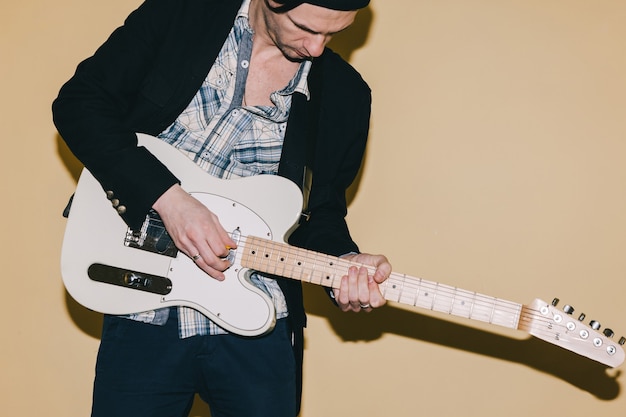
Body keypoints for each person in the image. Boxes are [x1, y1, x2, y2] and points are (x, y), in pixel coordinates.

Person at [53, 0, 391, 416]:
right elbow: (80, 104)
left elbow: (318, 213)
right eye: (306, 28)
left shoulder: (346, 94)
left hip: (259, 321)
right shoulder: (181, 15)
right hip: (143, 305)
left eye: (333, 34)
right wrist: (170, 200)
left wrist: (344, 263)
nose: (317, 48)